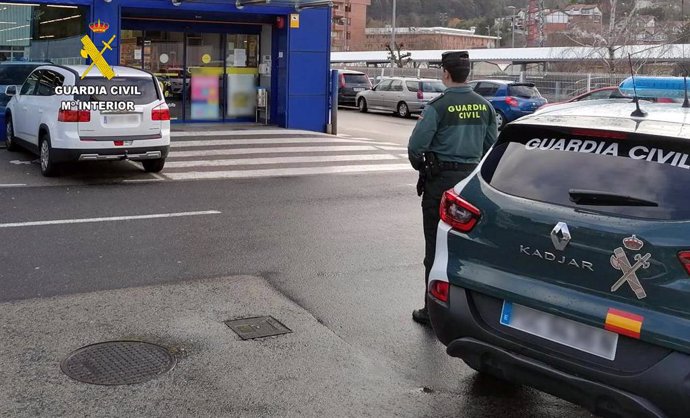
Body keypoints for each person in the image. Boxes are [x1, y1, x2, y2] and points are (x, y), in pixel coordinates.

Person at [407, 51, 498, 325]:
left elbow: (415, 147)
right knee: (471, 247)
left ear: (445, 73)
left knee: (436, 246)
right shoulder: (485, 106)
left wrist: (423, 169)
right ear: (467, 73)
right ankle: (475, 312)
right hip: (472, 186)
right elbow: (490, 146)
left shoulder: (439, 106)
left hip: (442, 185)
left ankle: (432, 310)